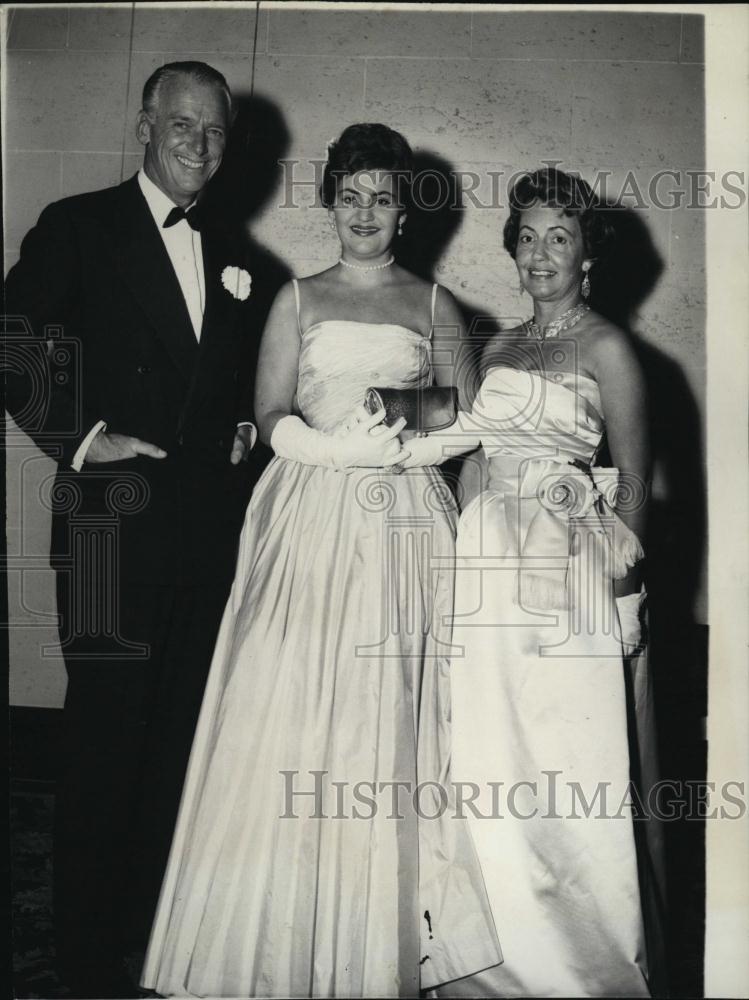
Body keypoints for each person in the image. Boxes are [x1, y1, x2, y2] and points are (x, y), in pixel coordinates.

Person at [141, 123, 502, 998]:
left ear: (404, 212)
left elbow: (463, 421)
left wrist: (398, 445)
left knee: (385, 709)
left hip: (402, 526)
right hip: (306, 511)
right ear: (329, 201)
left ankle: (368, 937)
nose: (366, 212)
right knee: (289, 702)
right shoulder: (295, 298)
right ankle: (263, 936)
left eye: (383, 196)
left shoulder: (434, 305)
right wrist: (328, 447)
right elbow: (267, 413)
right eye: (351, 194)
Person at [5, 62, 260, 998]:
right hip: (111, 536)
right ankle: (79, 961)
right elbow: (12, 340)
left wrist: (241, 425)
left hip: (202, 540)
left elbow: (227, 388)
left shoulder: (242, 256)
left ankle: (150, 944)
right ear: (145, 126)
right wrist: (83, 437)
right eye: (182, 125)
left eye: (216, 132)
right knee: (107, 744)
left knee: (175, 749)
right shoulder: (80, 224)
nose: (198, 145)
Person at [405, 167, 666, 996]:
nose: (540, 253)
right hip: (488, 561)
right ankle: (491, 962)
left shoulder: (608, 347)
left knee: (564, 761)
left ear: (588, 255)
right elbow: (476, 454)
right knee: (488, 758)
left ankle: (583, 965)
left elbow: (632, 478)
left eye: (559, 237)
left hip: (565, 567)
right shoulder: (497, 347)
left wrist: (623, 594)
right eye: (527, 237)